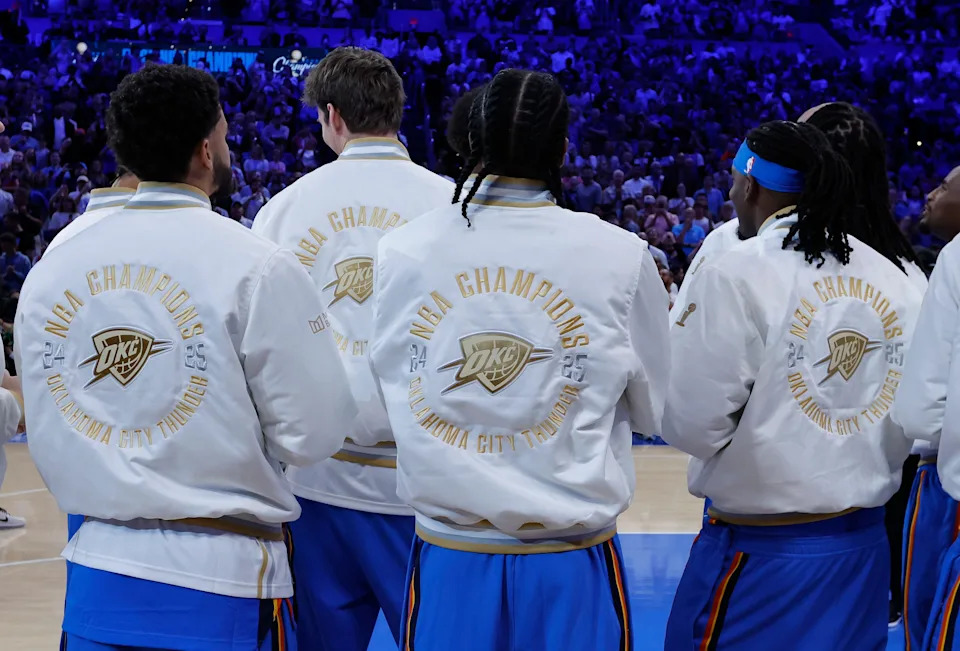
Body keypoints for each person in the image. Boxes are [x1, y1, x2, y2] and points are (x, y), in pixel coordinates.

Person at [15, 63, 357, 651]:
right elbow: (315, 433)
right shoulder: (256, 263)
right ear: (204, 150)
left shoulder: (55, 266)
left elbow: (49, 416)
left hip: (96, 565)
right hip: (222, 576)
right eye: (223, 135)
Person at [369, 68, 669, 651]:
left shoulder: (402, 248)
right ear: (562, 147)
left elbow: (391, 388)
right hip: (569, 559)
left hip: (449, 555)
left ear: (467, 144)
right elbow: (659, 411)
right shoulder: (619, 254)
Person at [662, 120, 922, 649]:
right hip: (865, 550)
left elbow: (691, 423)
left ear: (751, 185)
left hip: (760, 553)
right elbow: (914, 419)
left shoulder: (736, 269)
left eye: (733, 180)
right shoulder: (898, 275)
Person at [252, 47, 453, 651]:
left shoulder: (282, 211)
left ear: (332, 116)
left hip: (318, 481)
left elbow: (265, 352)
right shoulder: (451, 204)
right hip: (426, 479)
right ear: (398, 110)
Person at [798, 101, 929, 634]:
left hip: (769, 528)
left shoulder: (751, 266)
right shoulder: (911, 279)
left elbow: (698, 415)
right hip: (876, 532)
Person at [893, 163, 960, 651]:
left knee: (932, 627)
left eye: (944, 186)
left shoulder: (955, 260)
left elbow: (920, 409)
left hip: (947, 482)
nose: (932, 194)